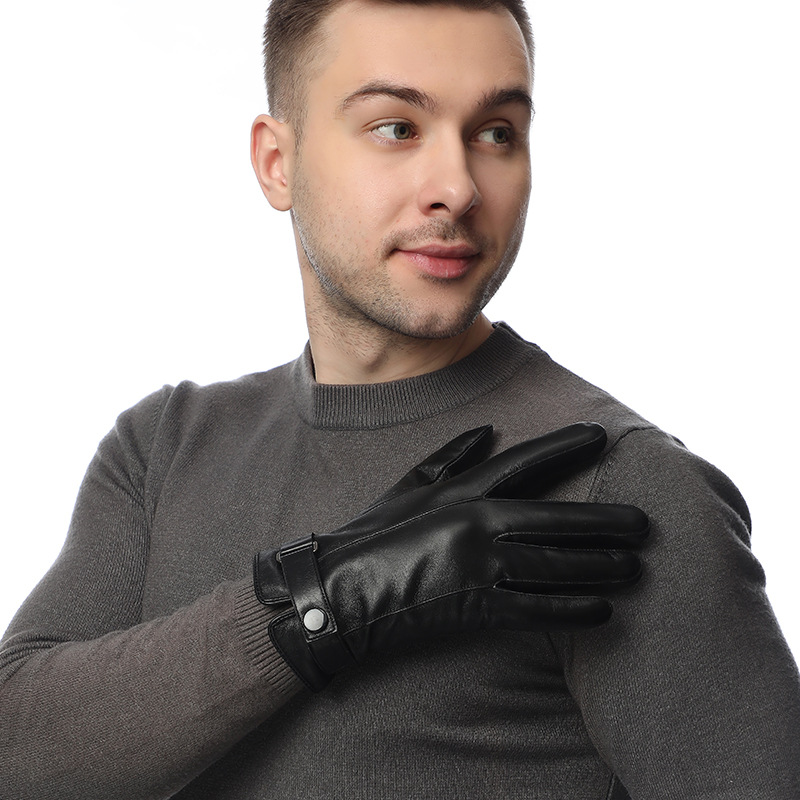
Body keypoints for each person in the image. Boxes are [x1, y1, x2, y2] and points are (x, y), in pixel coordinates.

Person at [1, 1, 798, 798]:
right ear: (277, 162)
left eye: (496, 133)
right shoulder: (165, 448)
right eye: (397, 128)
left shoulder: (613, 490)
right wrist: (328, 601)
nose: (457, 187)